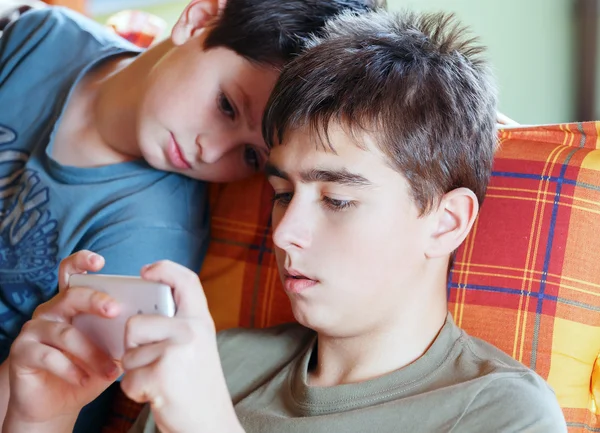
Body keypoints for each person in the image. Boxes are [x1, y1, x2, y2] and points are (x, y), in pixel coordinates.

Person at [2, 8, 567, 433]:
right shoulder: (218, 359)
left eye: (338, 200)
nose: (283, 233)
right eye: (280, 191)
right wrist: (41, 419)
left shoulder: (502, 413)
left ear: (446, 222)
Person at [0, 0, 378, 431]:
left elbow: (32, 404)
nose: (212, 151)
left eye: (251, 156)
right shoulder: (37, 35)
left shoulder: (153, 237)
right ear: (200, 18)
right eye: (227, 107)